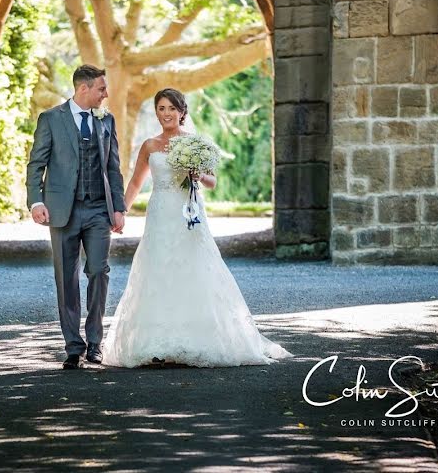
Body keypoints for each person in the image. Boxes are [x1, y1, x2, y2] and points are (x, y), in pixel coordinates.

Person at [100, 88, 293, 368]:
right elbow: (135, 183)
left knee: (193, 267)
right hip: (160, 213)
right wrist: (121, 212)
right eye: (161, 108)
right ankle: (154, 342)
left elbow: (213, 182)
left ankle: (196, 338)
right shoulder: (150, 145)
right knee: (157, 268)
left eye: (171, 108)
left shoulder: (196, 144)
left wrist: (198, 174)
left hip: (187, 214)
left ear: (181, 111)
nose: (166, 114)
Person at [26, 64, 127, 370]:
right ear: (83, 89)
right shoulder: (51, 119)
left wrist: (118, 208)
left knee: (98, 271)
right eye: (101, 88)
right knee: (66, 279)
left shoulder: (106, 119)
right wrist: (35, 202)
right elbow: (36, 164)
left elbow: (113, 167)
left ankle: (95, 342)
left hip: (98, 209)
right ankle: (73, 346)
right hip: (62, 210)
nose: (106, 94)